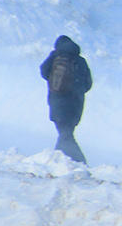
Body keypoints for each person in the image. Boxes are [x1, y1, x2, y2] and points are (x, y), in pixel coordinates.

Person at [40, 35, 93, 163]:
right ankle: (59, 159)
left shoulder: (55, 57)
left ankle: (79, 161)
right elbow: (88, 84)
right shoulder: (80, 60)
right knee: (66, 134)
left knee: (65, 134)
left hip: (58, 103)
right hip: (76, 104)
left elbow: (43, 72)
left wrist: (57, 86)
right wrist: (76, 91)